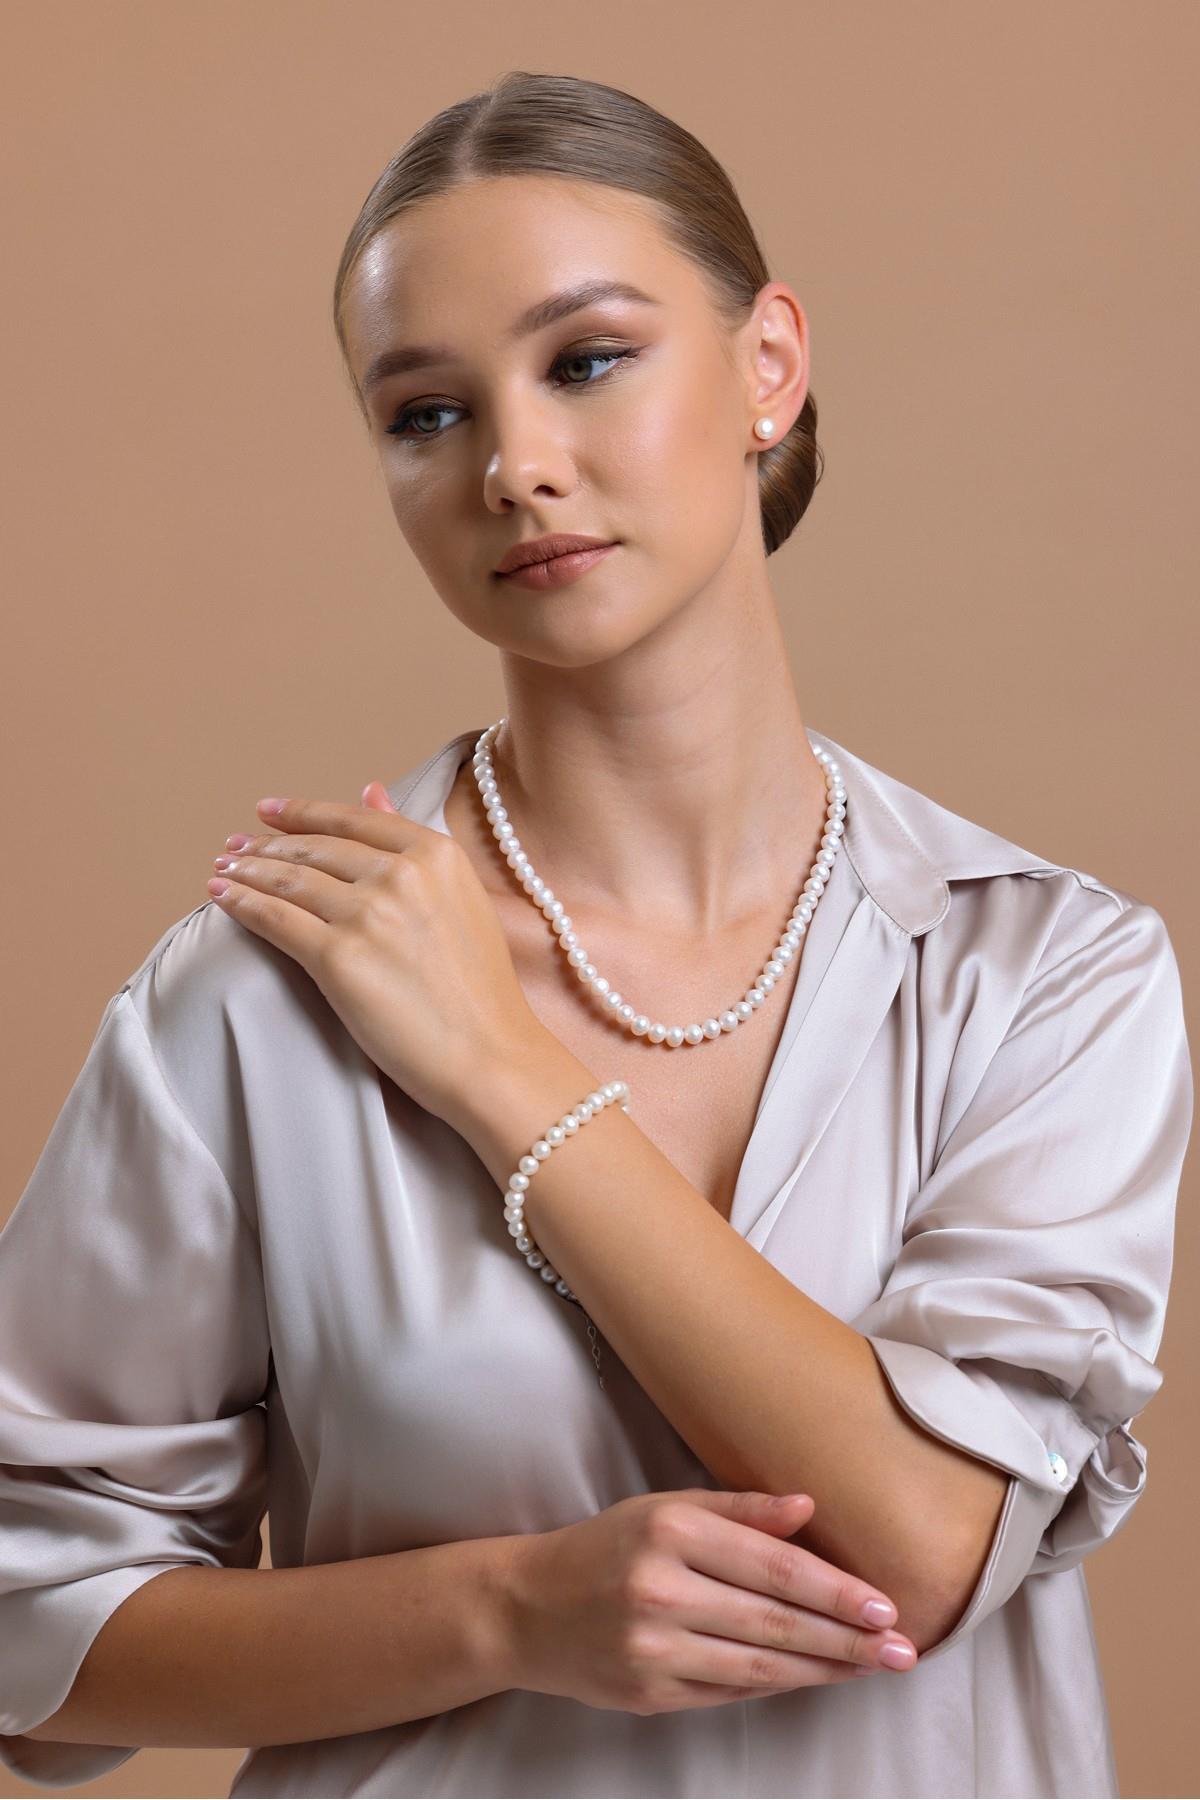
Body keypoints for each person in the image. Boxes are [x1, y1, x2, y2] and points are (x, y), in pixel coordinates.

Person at [0, 70, 1190, 1800]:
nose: (515, 467)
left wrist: (503, 1071)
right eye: (426, 413)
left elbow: (927, 1546)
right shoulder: (267, 991)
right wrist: (506, 1612)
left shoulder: (1041, 973)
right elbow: (31, 1658)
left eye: (586, 360)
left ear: (769, 366)